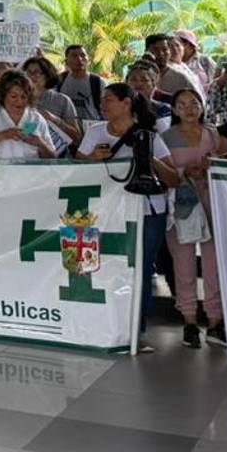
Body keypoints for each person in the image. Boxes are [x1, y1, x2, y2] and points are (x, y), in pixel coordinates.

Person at [77, 83, 181, 347]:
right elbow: (76, 169)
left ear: (126, 104)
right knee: (104, 263)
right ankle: (104, 319)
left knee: (141, 268)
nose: (103, 104)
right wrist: (92, 159)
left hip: (147, 210)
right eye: (103, 100)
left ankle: (135, 327)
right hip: (106, 210)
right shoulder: (95, 132)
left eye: (109, 100)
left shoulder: (150, 135)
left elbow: (173, 179)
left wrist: (146, 158)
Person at [159, 88, 224, 348]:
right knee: (183, 264)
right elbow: (163, 171)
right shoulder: (166, 137)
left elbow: (224, 161)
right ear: (174, 110)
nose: (189, 108)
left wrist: (212, 165)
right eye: (182, 104)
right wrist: (186, 171)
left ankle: (215, 321)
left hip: (210, 203)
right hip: (182, 206)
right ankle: (189, 321)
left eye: (194, 103)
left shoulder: (212, 133)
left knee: (213, 265)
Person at [0, 69, 57, 160]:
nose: (19, 101)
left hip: (30, 174)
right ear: (3, 96)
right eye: (13, 96)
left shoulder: (36, 118)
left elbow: (53, 157)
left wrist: (39, 143)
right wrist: (3, 135)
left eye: (24, 96)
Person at [22, 56, 81, 150]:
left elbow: (77, 138)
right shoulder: (17, 99)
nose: (32, 76)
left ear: (48, 75)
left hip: (56, 159)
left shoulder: (62, 100)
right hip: (25, 154)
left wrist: (54, 119)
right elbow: (24, 134)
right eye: (28, 73)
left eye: (37, 72)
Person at [57, 45, 104, 121]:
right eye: (74, 56)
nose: (79, 59)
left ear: (88, 60)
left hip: (90, 127)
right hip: (65, 127)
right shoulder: (60, 80)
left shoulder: (97, 82)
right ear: (66, 61)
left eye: (83, 55)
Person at [147, 33, 201, 99]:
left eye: (165, 49)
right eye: (156, 50)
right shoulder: (139, 75)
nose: (161, 53)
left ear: (169, 52)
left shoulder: (180, 78)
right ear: (147, 52)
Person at [126, 62, 172, 131]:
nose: (138, 83)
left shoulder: (164, 110)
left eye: (144, 80)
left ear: (154, 84)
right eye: (133, 80)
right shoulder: (119, 108)